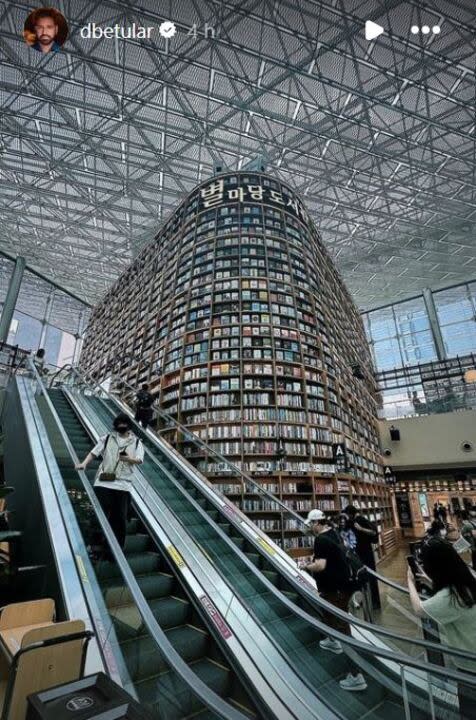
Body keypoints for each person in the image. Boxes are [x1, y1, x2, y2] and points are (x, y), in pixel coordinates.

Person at [407, 539, 476, 719]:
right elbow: (451, 593)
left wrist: (410, 582)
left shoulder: (450, 597)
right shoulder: (467, 578)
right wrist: (430, 582)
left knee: (469, 710)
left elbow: (418, 609)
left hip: (470, 664)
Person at [303, 509, 367, 692]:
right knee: (329, 614)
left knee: (342, 629)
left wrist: (306, 566)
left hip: (334, 589)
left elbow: (321, 565)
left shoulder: (321, 539)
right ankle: (332, 639)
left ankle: (356, 675)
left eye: (311, 524)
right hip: (342, 587)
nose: (310, 527)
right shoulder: (334, 533)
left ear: (317, 523)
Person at [75, 413, 144, 554]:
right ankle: (94, 546)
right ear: (116, 425)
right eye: (119, 424)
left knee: (119, 520)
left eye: (124, 424)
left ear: (128, 425)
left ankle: (114, 551)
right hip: (103, 482)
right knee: (99, 514)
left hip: (123, 484)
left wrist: (128, 459)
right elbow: (94, 452)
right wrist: (84, 464)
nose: (121, 426)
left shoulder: (136, 442)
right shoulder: (107, 438)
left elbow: (139, 460)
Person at [344, 505, 381, 609]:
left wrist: (361, 529)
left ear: (351, 513)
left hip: (366, 551)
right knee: (360, 577)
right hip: (359, 552)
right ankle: (363, 599)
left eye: (347, 514)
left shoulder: (361, 519)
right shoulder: (351, 521)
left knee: (371, 576)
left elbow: (373, 532)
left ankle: (375, 602)